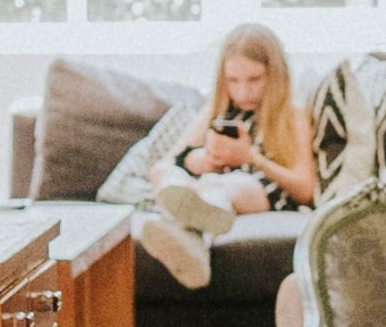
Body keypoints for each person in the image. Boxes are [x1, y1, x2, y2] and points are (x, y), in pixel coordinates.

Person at [137, 23, 321, 290]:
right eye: (233, 81)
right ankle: (192, 236)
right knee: (164, 174)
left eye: (254, 80)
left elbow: (305, 189)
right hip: (202, 183)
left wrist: (251, 158)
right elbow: (169, 160)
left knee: (226, 185)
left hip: (257, 188)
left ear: (276, 74)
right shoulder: (218, 109)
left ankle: (187, 226)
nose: (243, 92)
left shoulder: (293, 112)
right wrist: (198, 160)